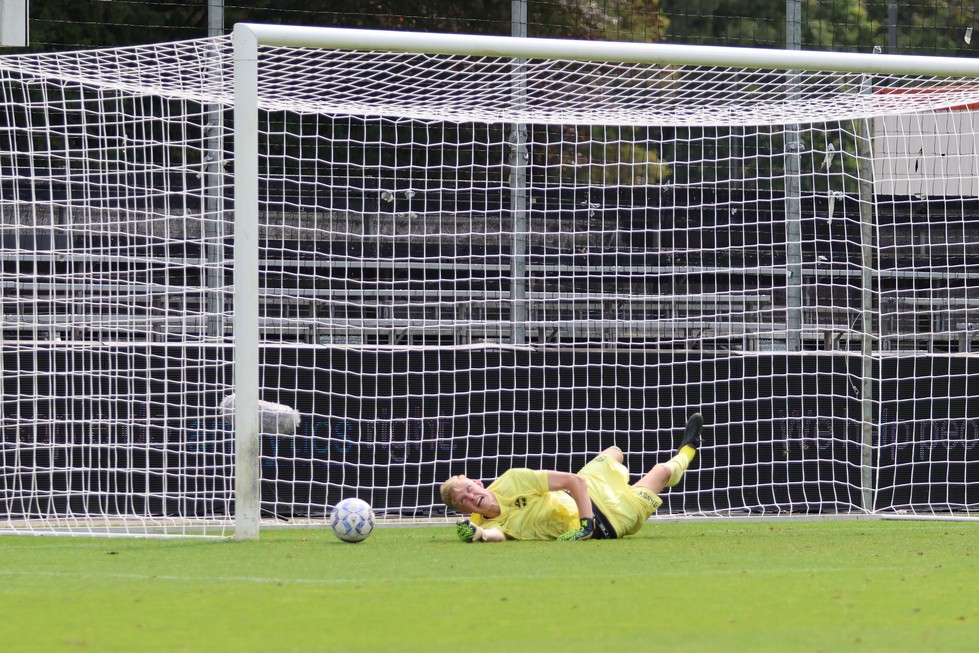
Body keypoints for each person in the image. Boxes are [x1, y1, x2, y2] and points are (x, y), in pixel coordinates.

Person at [440, 413, 704, 542]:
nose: (472, 497)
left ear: (478, 483)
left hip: (585, 496)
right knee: (663, 471)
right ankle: (688, 450)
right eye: (464, 500)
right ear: (463, 509)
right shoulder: (488, 523)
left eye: (469, 489)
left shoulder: (513, 480)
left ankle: (618, 479)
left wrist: (584, 524)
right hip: (612, 520)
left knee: (614, 452)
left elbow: (575, 482)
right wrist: (479, 535)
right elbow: (496, 535)